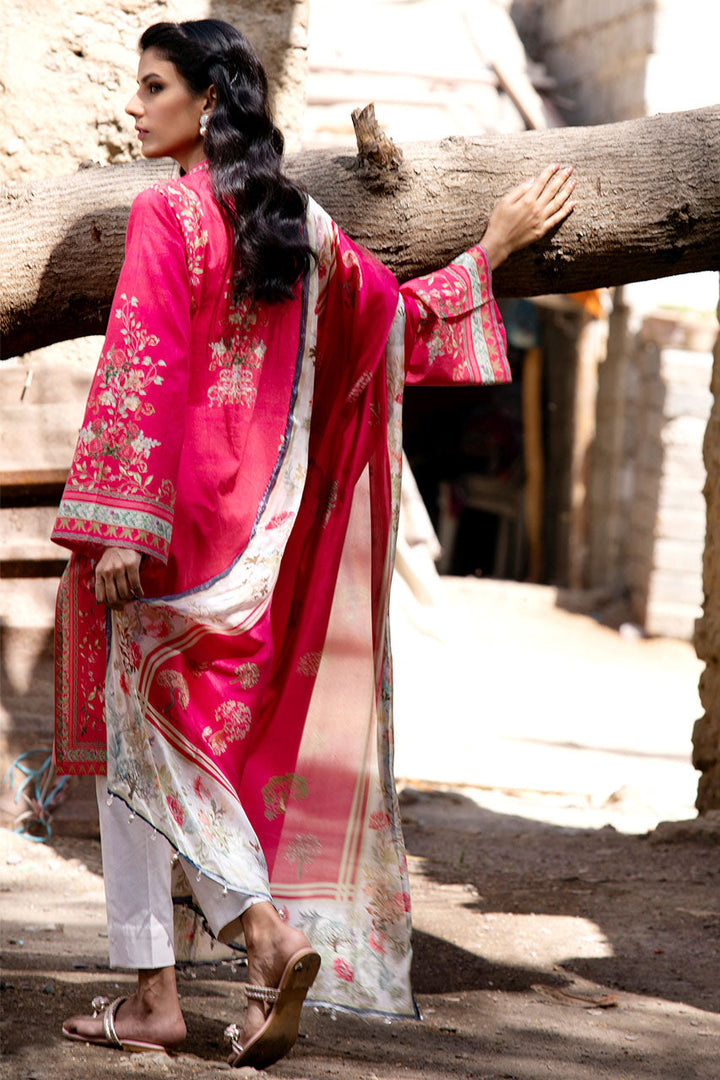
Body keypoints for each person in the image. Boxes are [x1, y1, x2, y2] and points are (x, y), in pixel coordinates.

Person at [52, 18, 576, 1069]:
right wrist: (493, 253)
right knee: (179, 757)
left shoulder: (168, 211)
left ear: (207, 103)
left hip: (164, 536)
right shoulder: (295, 221)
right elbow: (394, 327)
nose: (133, 104)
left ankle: (242, 946)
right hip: (262, 546)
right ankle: (186, 981)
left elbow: (141, 362)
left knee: (145, 753)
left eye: (152, 86)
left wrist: (115, 523)